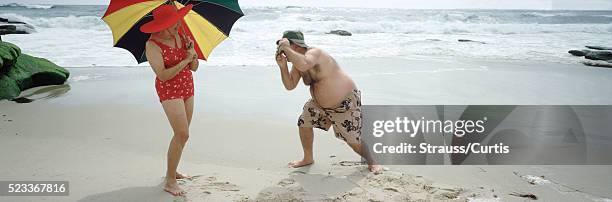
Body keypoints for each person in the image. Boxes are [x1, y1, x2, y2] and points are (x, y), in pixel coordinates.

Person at [275, 30, 382, 172]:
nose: (281, 51)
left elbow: (305, 63)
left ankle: (372, 161)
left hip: (344, 103)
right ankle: (308, 158)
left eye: (284, 46)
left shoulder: (315, 53)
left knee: (352, 140)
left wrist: (286, 48)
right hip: (319, 104)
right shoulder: (297, 63)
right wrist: (282, 67)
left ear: (294, 46)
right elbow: (290, 85)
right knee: (304, 122)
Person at [141, 4, 199, 196]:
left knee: (184, 134)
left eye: (177, 21)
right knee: (182, 133)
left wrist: (192, 54)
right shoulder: (152, 45)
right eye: (172, 24)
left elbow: (195, 67)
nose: (177, 25)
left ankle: (172, 170)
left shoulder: (181, 36)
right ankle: (170, 180)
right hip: (169, 89)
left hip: (187, 85)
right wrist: (184, 60)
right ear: (161, 26)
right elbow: (163, 75)